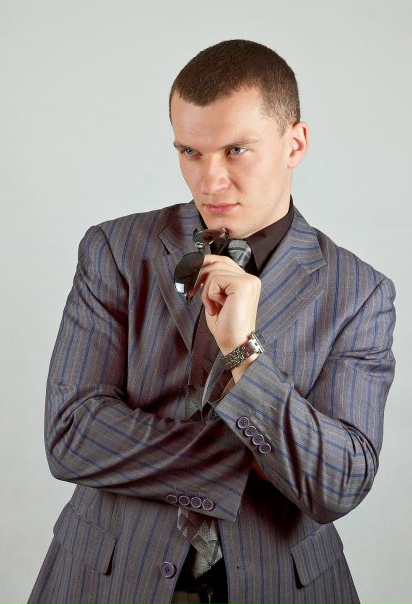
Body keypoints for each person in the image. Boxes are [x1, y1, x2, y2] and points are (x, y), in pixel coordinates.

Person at [28, 39, 396, 604]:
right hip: (106, 580)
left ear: (295, 143)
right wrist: (257, 460)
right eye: (190, 152)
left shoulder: (359, 292)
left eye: (236, 150)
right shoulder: (115, 250)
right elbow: (71, 434)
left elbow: (338, 483)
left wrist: (243, 354)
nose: (209, 180)